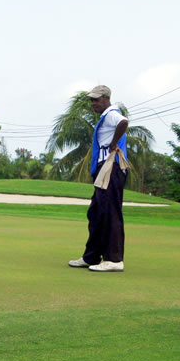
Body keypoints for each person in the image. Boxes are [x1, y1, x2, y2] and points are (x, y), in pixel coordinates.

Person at [68, 85, 129, 272]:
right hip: (105, 169)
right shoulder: (105, 116)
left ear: (106, 98)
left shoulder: (112, 114)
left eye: (96, 100)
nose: (93, 103)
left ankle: (114, 259)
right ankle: (92, 256)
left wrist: (113, 143)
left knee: (110, 212)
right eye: (91, 100)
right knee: (96, 213)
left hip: (112, 167)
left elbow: (124, 122)